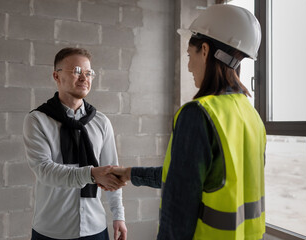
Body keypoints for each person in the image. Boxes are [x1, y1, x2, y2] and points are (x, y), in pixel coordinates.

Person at [110, 4, 266, 240]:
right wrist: (129, 173)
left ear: (204, 50)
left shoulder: (199, 114)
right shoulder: (251, 115)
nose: (189, 66)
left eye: (189, 55)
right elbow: (196, 177)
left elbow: (179, 208)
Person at [23, 47, 127, 240]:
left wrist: (118, 215)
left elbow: (112, 172)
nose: (84, 78)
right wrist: (91, 174)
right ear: (56, 76)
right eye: (77, 71)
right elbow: (44, 171)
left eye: (88, 73)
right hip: (51, 229)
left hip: (95, 227)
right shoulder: (38, 120)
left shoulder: (101, 122)